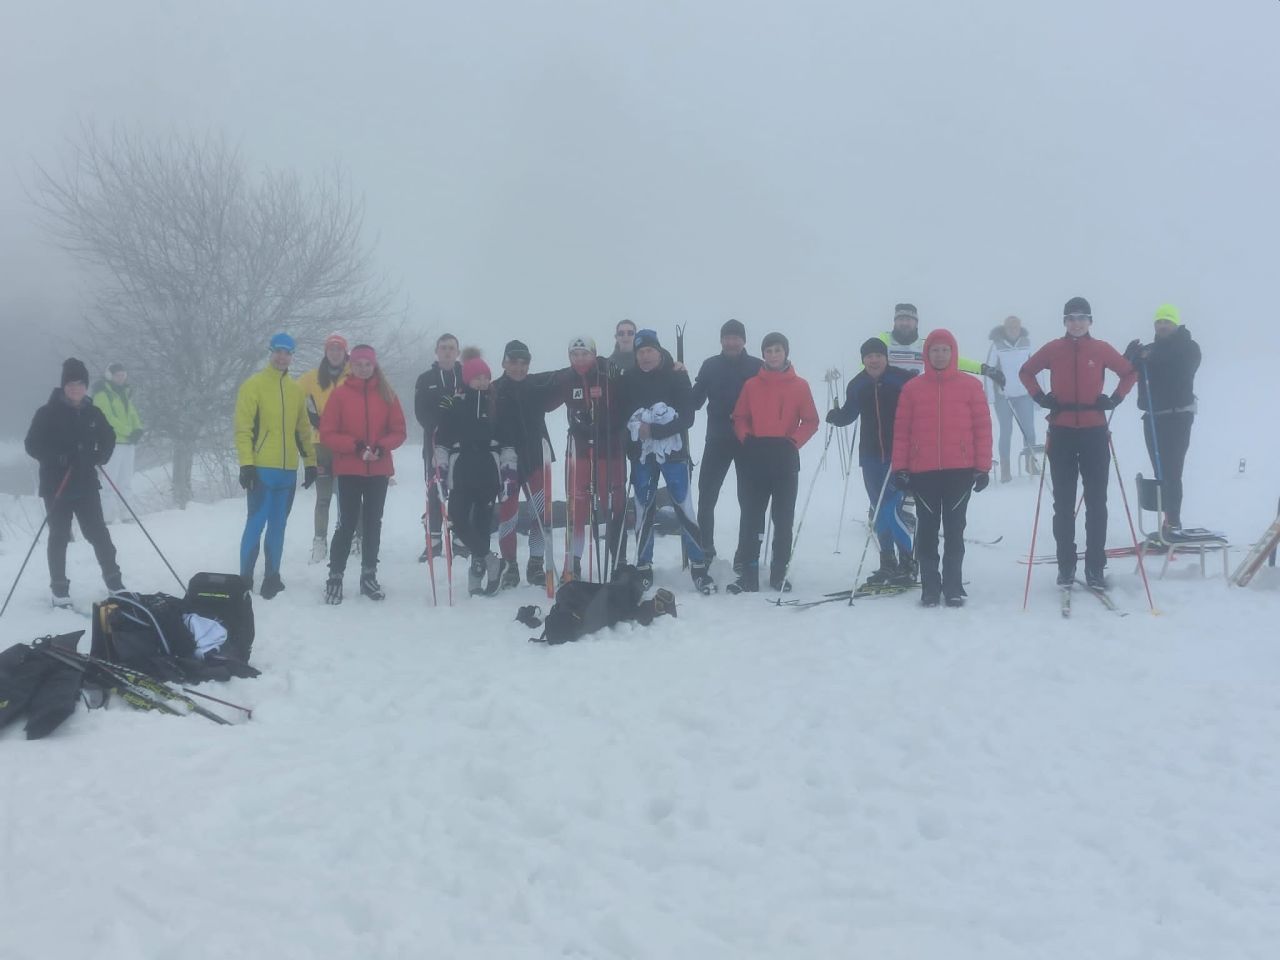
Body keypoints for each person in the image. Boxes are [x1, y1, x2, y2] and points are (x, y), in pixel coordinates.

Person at [1019, 297, 1137, 590]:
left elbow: (1129, 372)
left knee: (1097, 503)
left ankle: (1095, 566)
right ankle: (1066, 566)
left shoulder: (1100, 349)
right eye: (1071, 318)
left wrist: (1115, 399)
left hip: (1095, 432)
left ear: (1090, 321)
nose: (1076, 323)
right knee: (1063, 504)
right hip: (1061, 433)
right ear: (1064, 322)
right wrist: (1040, 397)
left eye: (1082, 317)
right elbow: (1026, 371)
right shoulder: (1053, 349)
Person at [891, 330, 993, 607]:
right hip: (923, 471)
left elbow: (982, 428)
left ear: (953, 353)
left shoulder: (970, 387)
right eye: (934, 350)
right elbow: (902, 431)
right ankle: (930, 586)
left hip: (959, 470)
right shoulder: (913, 388)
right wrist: (900, 467)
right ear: (927, 354)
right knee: (926, 529)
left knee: (955, 528)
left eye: (945, 350)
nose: (939, 355)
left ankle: (953, 585)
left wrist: (982, 467)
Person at [617, 329, 715, 594]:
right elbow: (623, 413)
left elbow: (688, 417)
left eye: (650, 351)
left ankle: (698, 565)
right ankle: (643, 565)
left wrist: (656, 431)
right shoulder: (629, 378)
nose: (646, 356)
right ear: (635, 356)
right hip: (642, 455)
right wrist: (633, 440)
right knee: (643, 507)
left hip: (674, 453)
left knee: (684, 507)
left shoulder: (676, 374)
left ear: (658, 352)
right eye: (641, 352)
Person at [25, 358, 125, 606]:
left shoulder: (93, 411)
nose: (75, 389)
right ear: (64, 386)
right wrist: (58, 457)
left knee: (98, 532)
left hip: (86, 483)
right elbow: (32, 445)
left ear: (86, 386)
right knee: (59, 535)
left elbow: (108, 436)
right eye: (71, 384)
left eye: (80, 384)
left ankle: (114, 582)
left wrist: (100, 455)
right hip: (56, 485)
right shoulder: (46, 413)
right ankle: (59, 590)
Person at [726, 332, 819, 593]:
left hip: (785, 457)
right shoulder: (752, 385)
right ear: (763, 354)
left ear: (785, 353)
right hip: (756, 456)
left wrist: (793, 442)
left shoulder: (800, 386)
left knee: (783, 518)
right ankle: (749, 571)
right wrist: (746, 438)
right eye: (769, 350)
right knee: (752, 516)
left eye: (778, 350)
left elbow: (811, 420)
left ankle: (779, 572)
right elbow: (740, 416)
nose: (773, 355)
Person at [318, 344, 406, 604]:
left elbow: (399, 431)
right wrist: (355, 447)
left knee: (372, 523)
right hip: (349, 469)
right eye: (358, 364)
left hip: (378, 470)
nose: (363, 368)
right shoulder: (340, 395)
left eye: (367, 364)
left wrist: (381, 446)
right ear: (351, 366)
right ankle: (335, 576)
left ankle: (369, 574)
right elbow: (328, 433)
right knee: (346, 523)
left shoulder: (387, 394)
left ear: (374, 365)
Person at [826, 337, 917, 586]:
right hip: (869, 456)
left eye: (878, 355)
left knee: (891, 509)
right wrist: (837, 417)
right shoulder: (857, 385)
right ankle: (887, 563)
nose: (874, 360)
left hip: (897, 455)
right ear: (863, 359)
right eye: (869, 356)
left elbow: (918, 410)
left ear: (886, 357)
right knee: (877, 511)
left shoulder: (902, 379)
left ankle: (908, 562)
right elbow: (850, 412)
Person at [234, 332, 317, 599]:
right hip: (261, 469)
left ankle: (272, 577)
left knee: (279, 526)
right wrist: (246, 464)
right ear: (270, 353)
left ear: (292, 356)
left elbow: (303, 429)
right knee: (255, 523)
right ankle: (244, 578)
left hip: (287, 472)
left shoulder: (294, 391)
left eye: (287, 352)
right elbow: (243, 428)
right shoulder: (254, 385)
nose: (282, 356)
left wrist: (311, 463)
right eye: (278, 351)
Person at [433, 350, 519, 597]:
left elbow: (507, 442)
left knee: (482, 523)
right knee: (457, 518)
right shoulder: (455, 403)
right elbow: (442, 440)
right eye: (477, 377)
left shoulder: (496, 403)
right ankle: (491, 559)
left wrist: (509, 474)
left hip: (488, 469)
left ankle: (478, 571)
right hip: (462, 468)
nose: (482, 381)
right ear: (467, 379)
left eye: (485, 377)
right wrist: (439, 469)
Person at [546, 335, 629, 582]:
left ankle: (618, 560)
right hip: (580, 449)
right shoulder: (565, 377)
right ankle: (573, 563)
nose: (580, 359)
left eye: (585, 354)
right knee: (577, 507)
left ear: (594, 354)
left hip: (609, 448)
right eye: (575, 354)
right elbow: (535, 389)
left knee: (613, 505)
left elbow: (629, 395)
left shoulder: (607, 371)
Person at [691, 319, 762, 569]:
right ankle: (705, 547)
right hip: (718, 438)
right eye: (727, 337)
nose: (731, 342)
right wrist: (678, 381)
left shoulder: (757, 366)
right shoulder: (710, 365)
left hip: (748, 441)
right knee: (706, 495)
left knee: (749, 498)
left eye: (736, 337)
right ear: (721, 340)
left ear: (744, 340)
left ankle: (745, 552)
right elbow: (694, 399)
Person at [1125, 304, 1201, 535]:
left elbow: (1179, 367)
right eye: (1159, 322)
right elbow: (1126, 369)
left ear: (1175, 324)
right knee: (1160, 471)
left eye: (1167, 321)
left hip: (1178, 416)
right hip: (1153, 417)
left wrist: (1150, 357)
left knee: (1172, 470)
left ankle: (1173, 522)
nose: (1163, 326)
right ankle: (1168, 520)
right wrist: (1129, 356)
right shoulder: (1149, 350)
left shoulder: (1188, 347)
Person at [493, 340, 558, 588]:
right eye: (513, 362)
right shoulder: (493, 389)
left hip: (536, 459)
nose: (519, 368)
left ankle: (536, 563)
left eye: (524, 363)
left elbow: (567, 378)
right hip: (506, 463)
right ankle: (510, 565)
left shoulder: (537, 385)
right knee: (508, 516)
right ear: (504, 363)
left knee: (540, 515)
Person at [298, 333, 360, 563]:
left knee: (349, 495)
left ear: (346, 353)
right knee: (323, 497)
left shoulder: (353, 375)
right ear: (325, 352)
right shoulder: (311, 378)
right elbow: (295, 400)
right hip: (320, 443)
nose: (335, 353)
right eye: (331, 349)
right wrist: (309, 415)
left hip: (347, 444)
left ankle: (353, 535)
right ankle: (319, 541)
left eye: (339, 349)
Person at [414, 333, 464, 561]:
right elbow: (420, 412)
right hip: (434, 442)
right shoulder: (426, 379)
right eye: (443, 347)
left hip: (462, 443)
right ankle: (433, 542)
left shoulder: (464, 376)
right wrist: (434, 422)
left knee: (461, 491)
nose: (447, 352)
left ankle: (460, 540)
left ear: (457, 352)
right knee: (435, 490)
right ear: (436, 351)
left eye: (451, 348)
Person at [878, 303, 1002, 385]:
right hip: (886, 397)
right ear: (895, 322)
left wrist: (985, 369)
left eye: (908, 320)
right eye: (900, 319)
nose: (904, 323)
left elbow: (953, 360)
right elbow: (867, 363)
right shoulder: (883, 341)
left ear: (916, 323)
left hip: (913, 399)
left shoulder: (924, 346)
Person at [985, 316, 1040, 482]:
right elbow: (988, 371)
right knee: (1006, 431)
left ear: (1020, 327)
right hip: (1004, 397)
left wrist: (1038, 396)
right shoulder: (997, 345)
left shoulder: (1027, 343)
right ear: (1005, 328)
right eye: (1010, 327)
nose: (1013, 330)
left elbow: (1037, 368)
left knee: (1029, 430)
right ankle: (1005, 468)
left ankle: (1030, 462)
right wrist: (991, 396)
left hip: (1024, 395)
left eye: (1016, 327)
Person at [91, 361, 144, 524]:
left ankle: (127, 515)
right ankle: (106, 518)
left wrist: (138, 429)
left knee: (126, 480)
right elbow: (107, 418)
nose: (121, 378)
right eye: (117, 375)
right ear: (110, 376)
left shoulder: (124, 394)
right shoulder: (102, 395)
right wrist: (129, 432)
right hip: (112, 444)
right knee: (108, 482)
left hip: (128, 444)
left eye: (123, 375)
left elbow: (132, 414)